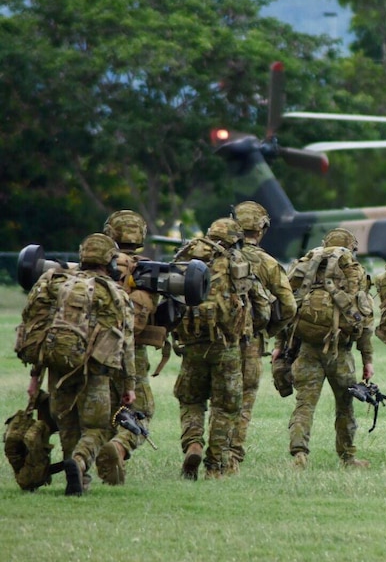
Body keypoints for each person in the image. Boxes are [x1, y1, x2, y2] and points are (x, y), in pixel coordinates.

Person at [21, 233, 136, 495]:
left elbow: (38, 331)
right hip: (95, 371)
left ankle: (79, 482)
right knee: (97, 427)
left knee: (68, 426)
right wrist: (129, 384)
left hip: (57, 367)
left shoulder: (57, 284)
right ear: (110, 261)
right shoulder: (114, 293)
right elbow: (126, 343)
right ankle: (80, 462)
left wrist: (35, 378)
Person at [172, 218, 270, 480]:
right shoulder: (237, 262)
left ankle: (193, 443)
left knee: (191, 400)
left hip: (191, 344)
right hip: (227, 345)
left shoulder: (185, 256)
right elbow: (262, 306)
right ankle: (215, 465)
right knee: (225, 407)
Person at [284, 227, 375, 469]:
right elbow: (364, 319)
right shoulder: (354, 272)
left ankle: (299, 454)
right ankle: (348, 457)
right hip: (340, 353)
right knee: (345, 405)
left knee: (304, 404)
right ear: (350, 247)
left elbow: (286, 307)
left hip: (306, 348)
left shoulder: (305, 269)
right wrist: (367, 359)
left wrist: (280, 347)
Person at [228, 201, 297, 474]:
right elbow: (289, 306)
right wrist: (269, 329)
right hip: (250, 342)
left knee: (212, 400)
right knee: (244, 400)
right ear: (262, 229)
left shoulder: (216, 256)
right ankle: (231, 458)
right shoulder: (267, 262)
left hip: (213, 339)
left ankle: (196, 444)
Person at [95, 210, 163, 485]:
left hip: (92, 350)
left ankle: (103, 459)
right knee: (140, 413)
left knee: (100, 411)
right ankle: (121, 446)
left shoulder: (94, 265)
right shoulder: (148, 269)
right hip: (132, 355)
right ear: (140, 236)